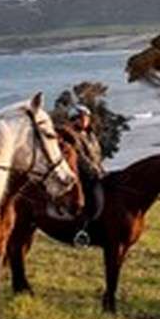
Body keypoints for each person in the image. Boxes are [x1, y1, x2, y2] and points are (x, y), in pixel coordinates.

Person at [68, 104, 106, 246]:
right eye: (81, 118)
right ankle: (81, 232)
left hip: (97, 172)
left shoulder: (90, 135)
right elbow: (80, 157)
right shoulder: (72, 136)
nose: (85, 120)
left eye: (87, 118)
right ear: (74, 119)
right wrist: (95, 171)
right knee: (95, 202)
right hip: (82, 175)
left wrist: (101, 169)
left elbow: (97, 155)